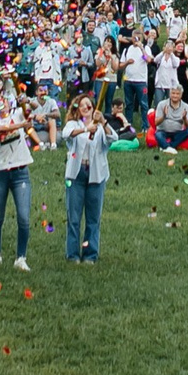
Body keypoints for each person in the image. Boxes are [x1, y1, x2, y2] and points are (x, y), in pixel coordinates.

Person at [0, 77, 36, 271]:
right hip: (0, 174)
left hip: (20, 173)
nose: (0, 100)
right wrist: (20, 127)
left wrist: (25, 100)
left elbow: (30, 111)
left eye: (2, 98)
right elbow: (0, 130)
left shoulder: (18, 114)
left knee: (24, 217)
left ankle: (21, 257)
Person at [62, 94, 109, 263]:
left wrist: (102, 121)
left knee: (93, 217)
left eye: (88, 106)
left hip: (96, 174)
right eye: (82, 106)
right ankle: (72, 254)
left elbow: (112, 139)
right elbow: (66, 135)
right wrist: (85, 129)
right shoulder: (73, 124)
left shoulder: (100, 126)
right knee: (73, 217)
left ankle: (90, 254)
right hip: (76, 173)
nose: (85, 108)